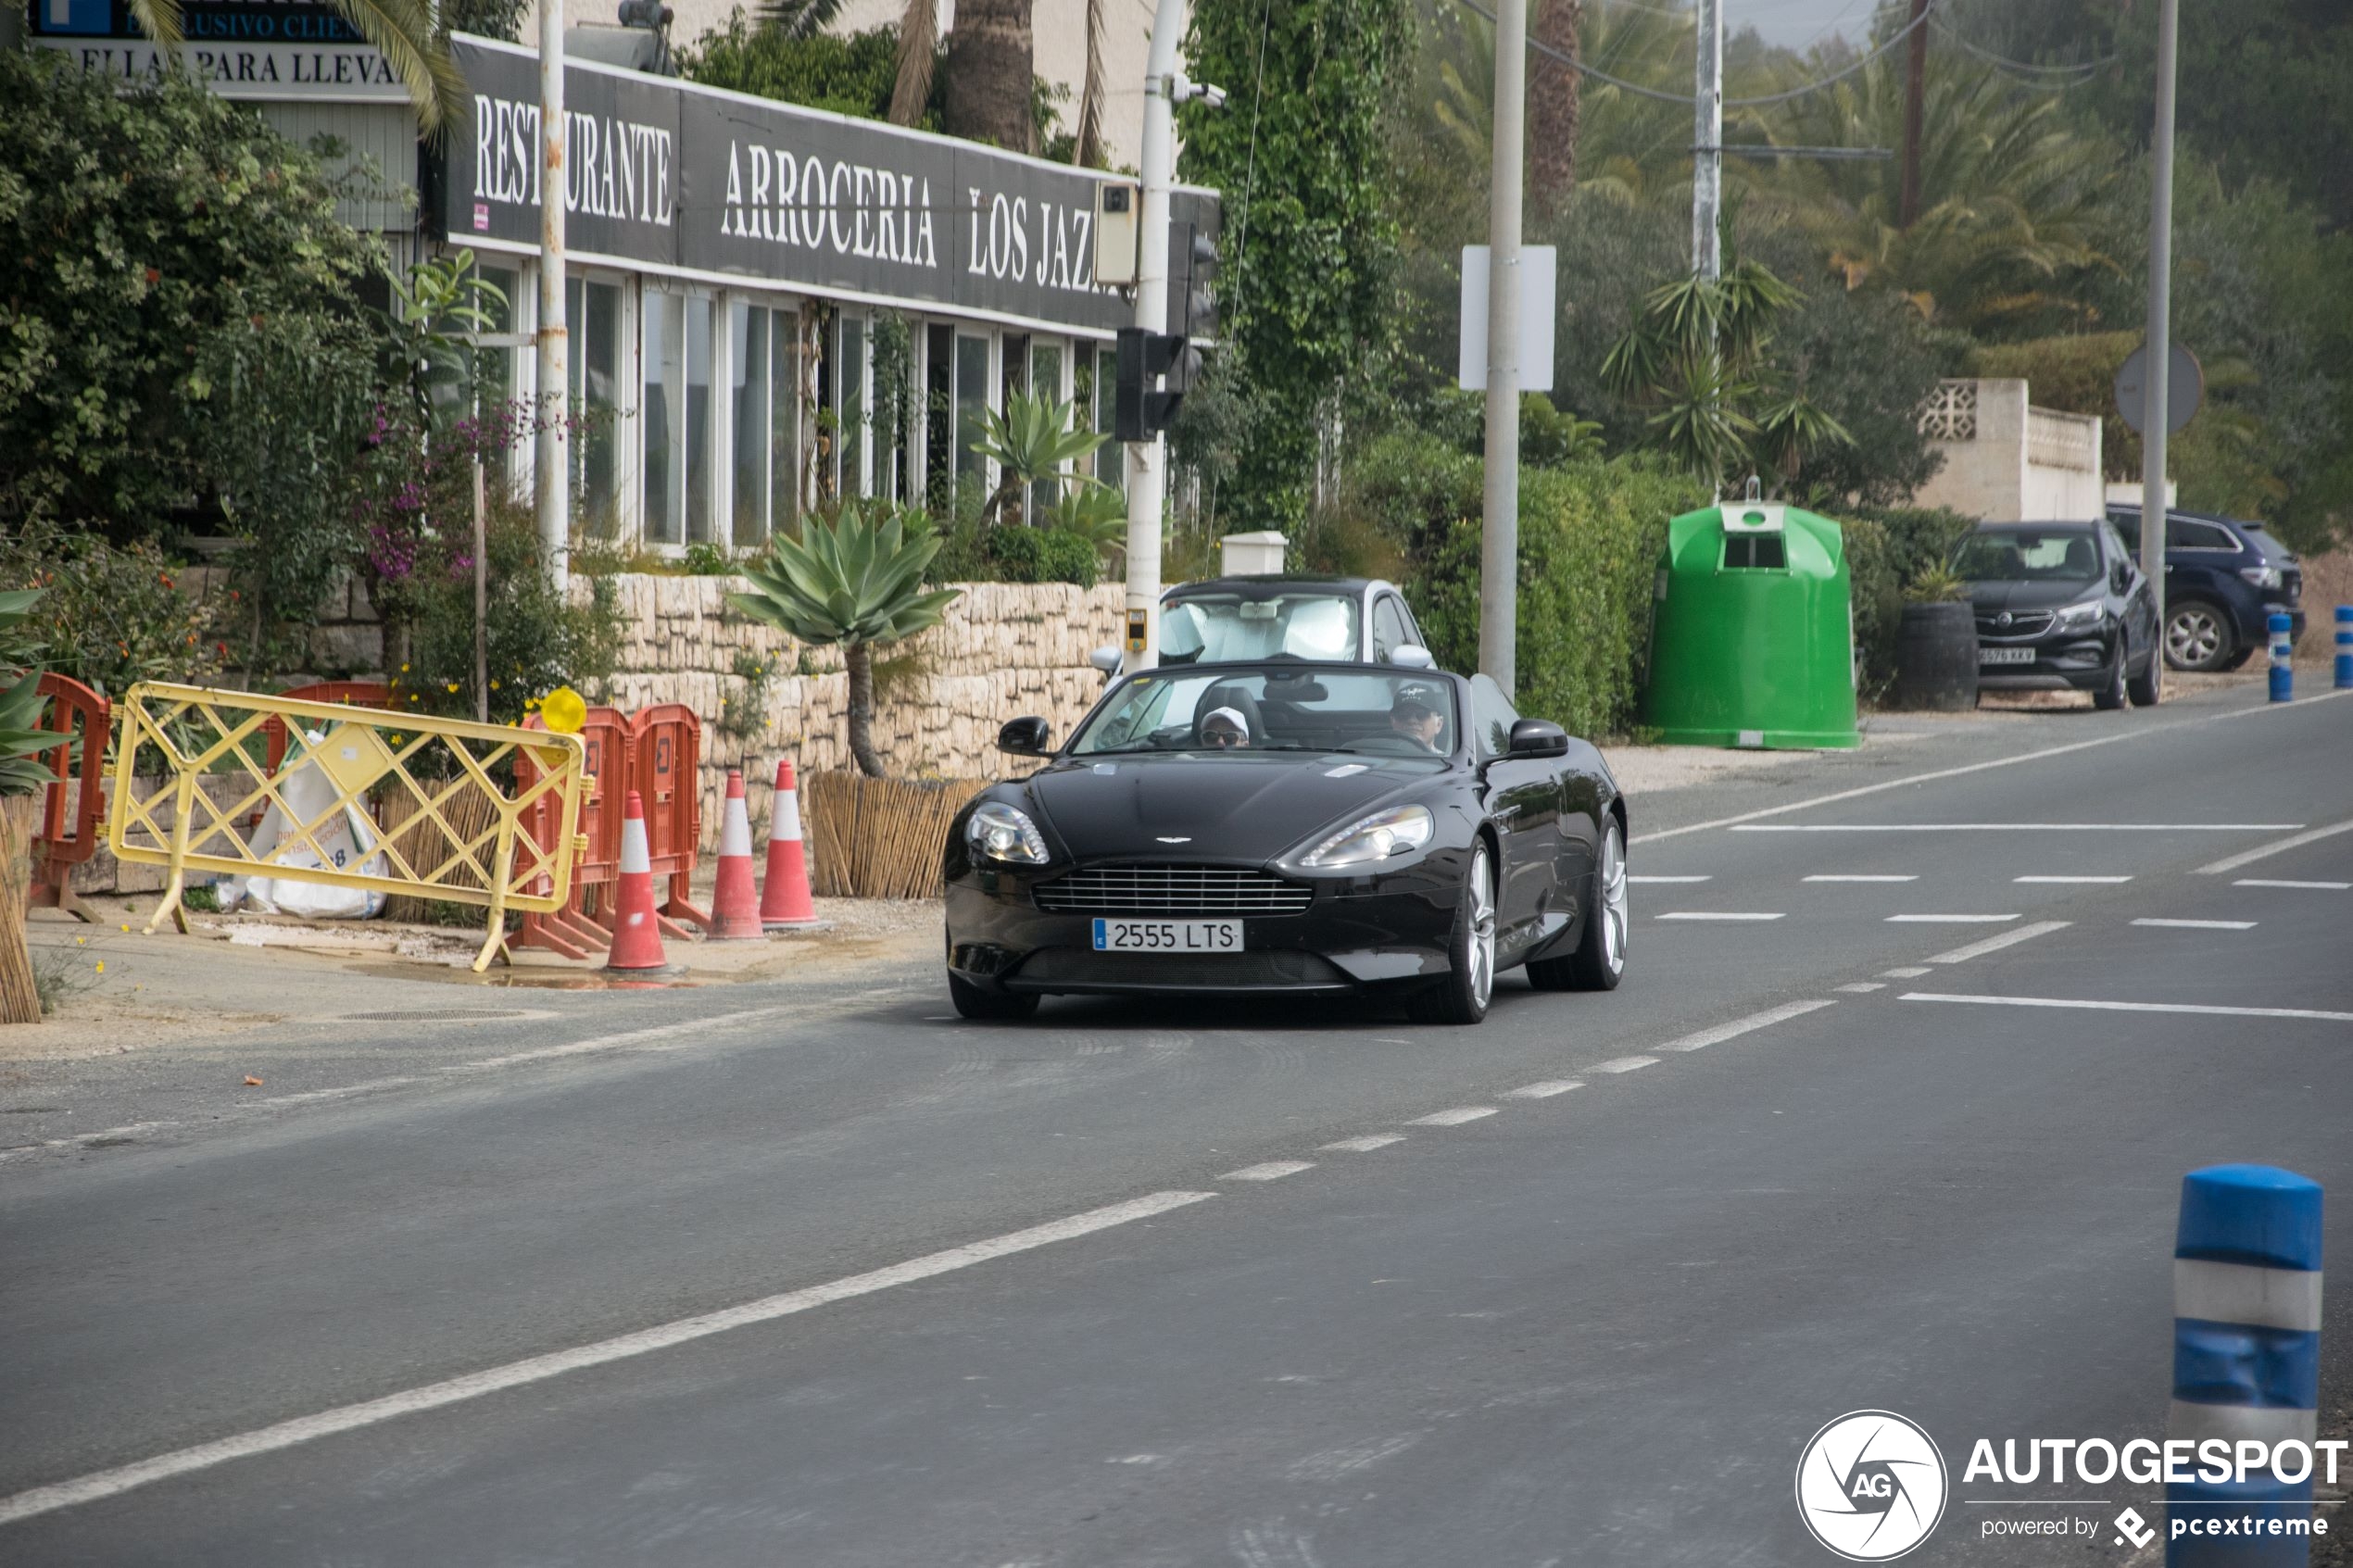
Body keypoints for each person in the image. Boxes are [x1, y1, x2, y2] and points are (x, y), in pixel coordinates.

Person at [1389, 685, 1444, 751]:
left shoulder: (1447, 760)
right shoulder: (1378, 758)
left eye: (1421, 714)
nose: (1411, 720)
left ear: (1438, 724)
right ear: (1393, 722)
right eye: (1403, 714)